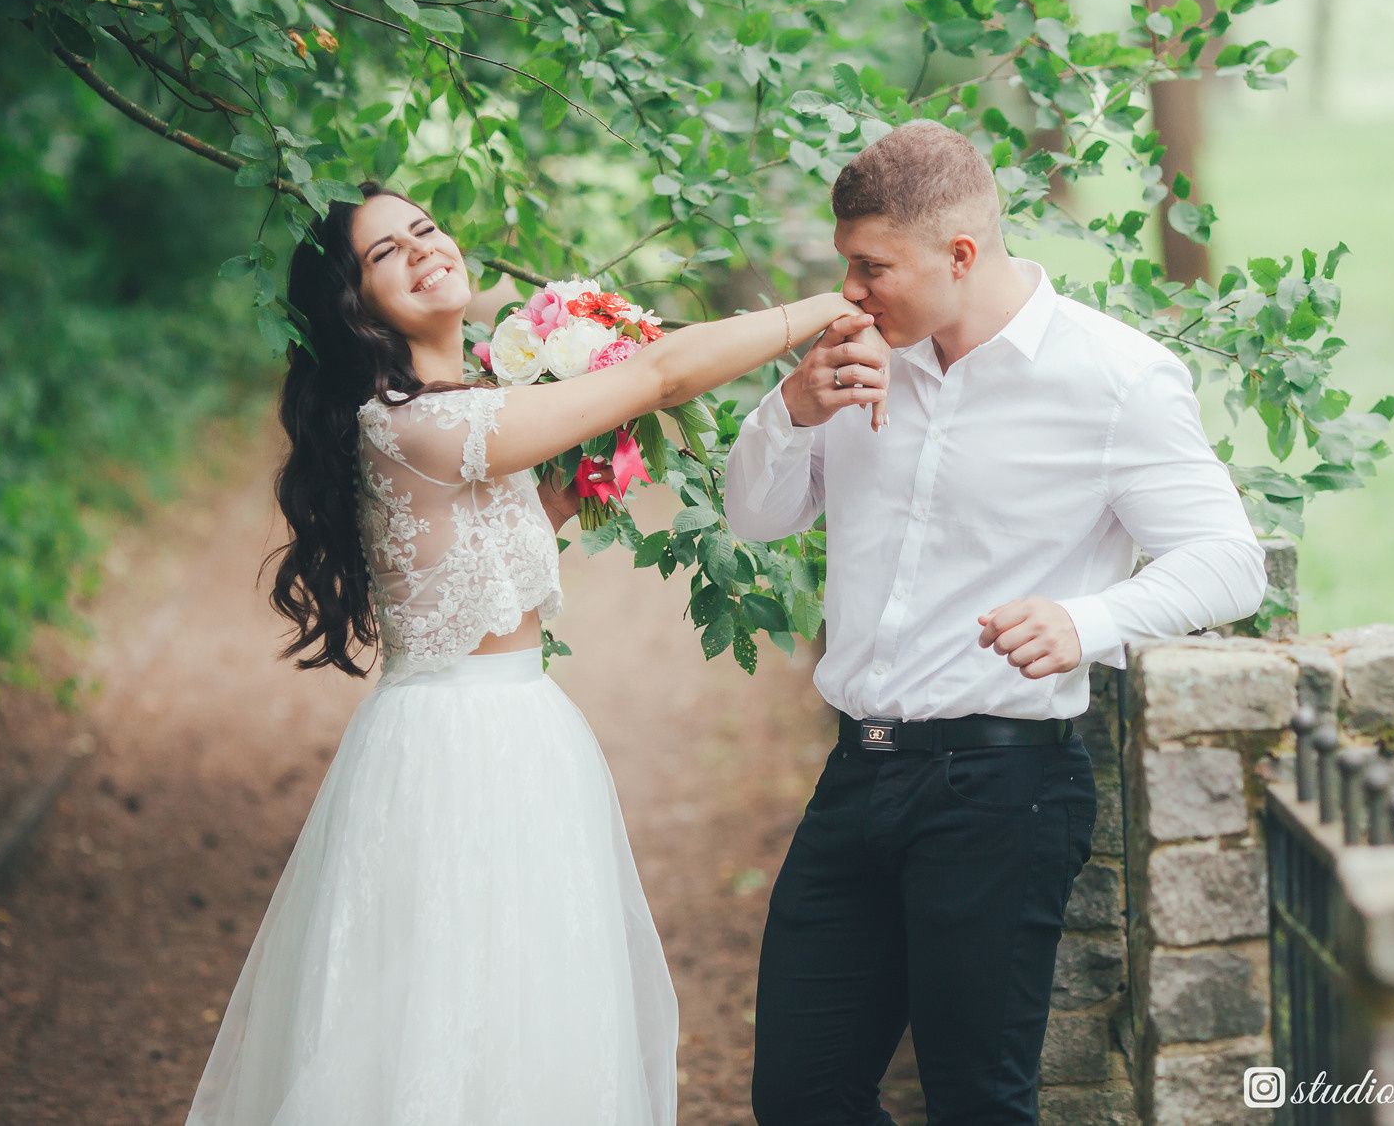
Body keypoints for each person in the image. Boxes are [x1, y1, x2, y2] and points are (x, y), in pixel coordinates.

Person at [185, 182, 886, 1126]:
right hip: (458, 749)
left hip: (523, 729)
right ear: (355, 306)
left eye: (426, 227)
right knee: (448, 1007)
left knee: (529, 998)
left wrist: (576, 474)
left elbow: (498, 545)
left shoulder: (465, 411)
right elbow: (660, 375)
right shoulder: (412, 424)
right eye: (387, 252)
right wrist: (820, 311)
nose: (425, 248)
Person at [725, 121, 1269, 1126]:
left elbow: (1226, 558)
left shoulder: (1113, 376)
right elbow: (753, 516)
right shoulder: (851, 360)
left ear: (959, 255)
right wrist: (789, 410)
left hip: (999, 786)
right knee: (801, 1093)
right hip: (857, 775)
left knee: (978, 1102)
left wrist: (1088, 618)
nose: (848, 291)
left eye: (869, 267)